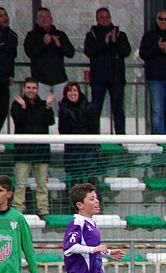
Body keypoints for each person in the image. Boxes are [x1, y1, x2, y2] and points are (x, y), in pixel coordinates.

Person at [10, 77, 54, 216]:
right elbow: (19, 121)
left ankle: (43, 210)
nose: (31, 90)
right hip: (23, 152)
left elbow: (50, 121)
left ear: (37, 89)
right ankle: (18, 210)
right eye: (28, 87)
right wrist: (23, 108)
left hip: (41, 152)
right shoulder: (17, 104)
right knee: (21, 184)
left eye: (34, 88)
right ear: (24, 88)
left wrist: (48, 106)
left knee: (42, 184)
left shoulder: (43, 105)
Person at [83, 7, 130, 134]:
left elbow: (126, 51)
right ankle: (94, 139)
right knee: (95, 109)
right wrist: (104, 41)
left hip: (116, 78)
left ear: (111, 18)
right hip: (99, 78)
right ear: (97, 20)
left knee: (118, 110)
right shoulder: (91, 35)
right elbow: (89, 51)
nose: (105, 20)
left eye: (107, 17)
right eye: (101, 17)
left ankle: (120, 138)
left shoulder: (120, 34)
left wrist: (115, 41)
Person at [23, 7, 74, 104]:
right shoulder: (32, 35)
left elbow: (71, 53)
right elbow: (29, 52)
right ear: (37, 20)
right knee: (41, 108)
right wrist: (43, 44)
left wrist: (60, 46)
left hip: (60, 79)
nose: (44, 19)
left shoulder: (60, 34)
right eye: (41, 17)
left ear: (51, 19)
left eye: (47, 16)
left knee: (64, 108)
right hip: (40, 81)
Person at [58, 82, 101, 192]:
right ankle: (75, 203)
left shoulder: (89, 107)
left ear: (79, 92)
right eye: (69, 91)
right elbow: (62, 131)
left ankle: (95, 203)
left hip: (88, 151)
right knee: (74, 185)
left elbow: (94, 129)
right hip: (72, 152)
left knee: (91, 184)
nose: (72, 93)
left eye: (75, 90)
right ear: (65, 94)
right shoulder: (62, 109)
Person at [0, 7, 17, 131]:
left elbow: (12, 58)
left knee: (2, 110)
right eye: (1, 16)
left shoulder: (12, 36)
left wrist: (11, 74)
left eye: (5, 15)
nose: (5, 18)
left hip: (4, 80)